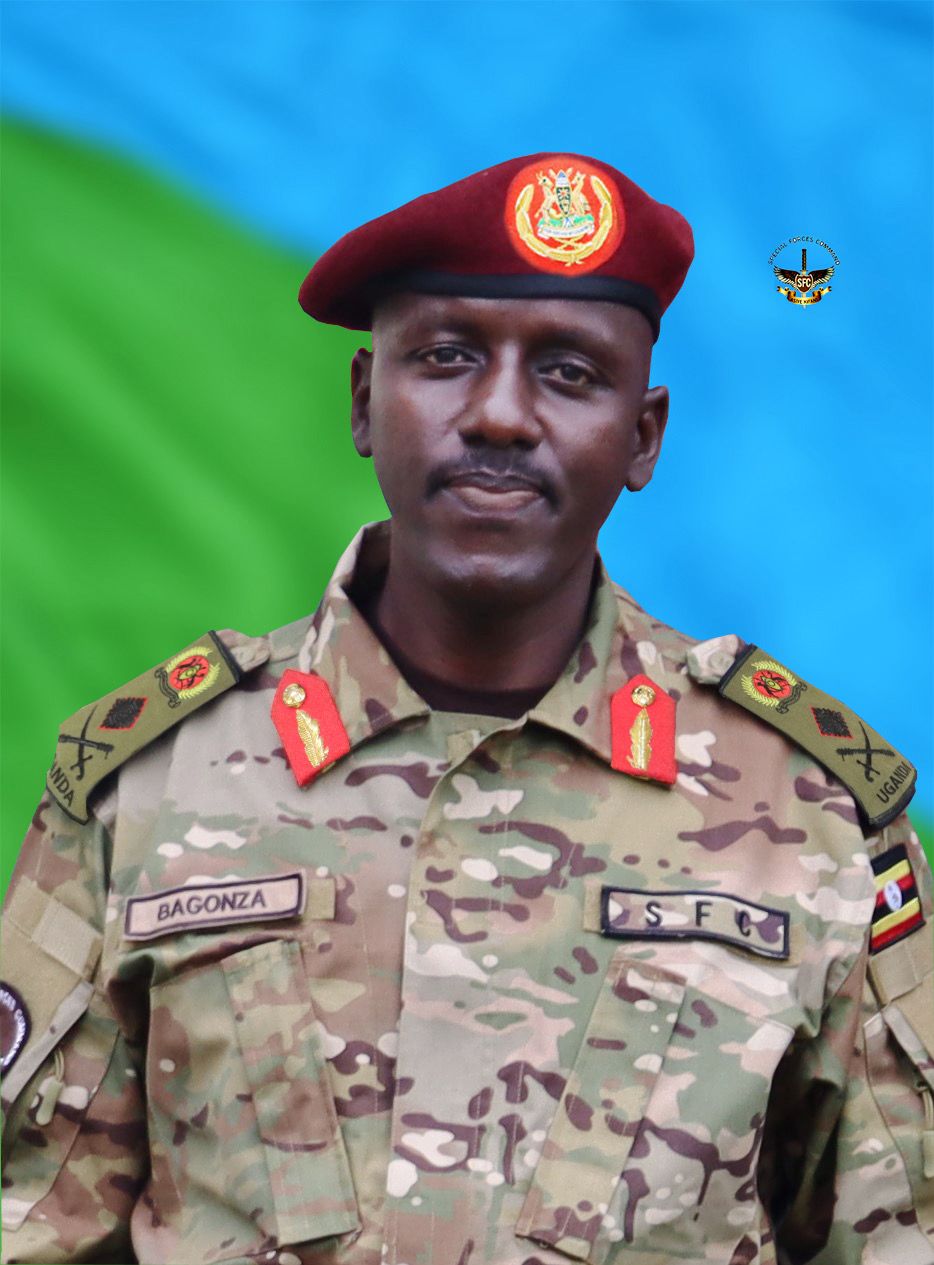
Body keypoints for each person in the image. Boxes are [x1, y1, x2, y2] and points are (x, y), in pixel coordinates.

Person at [1, 152, 931, 1265]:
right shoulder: (145, 785)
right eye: (446, 357)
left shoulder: (812, 809)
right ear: (364, 400)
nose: (497, 415)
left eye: (570, 372)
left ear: (643, 436)